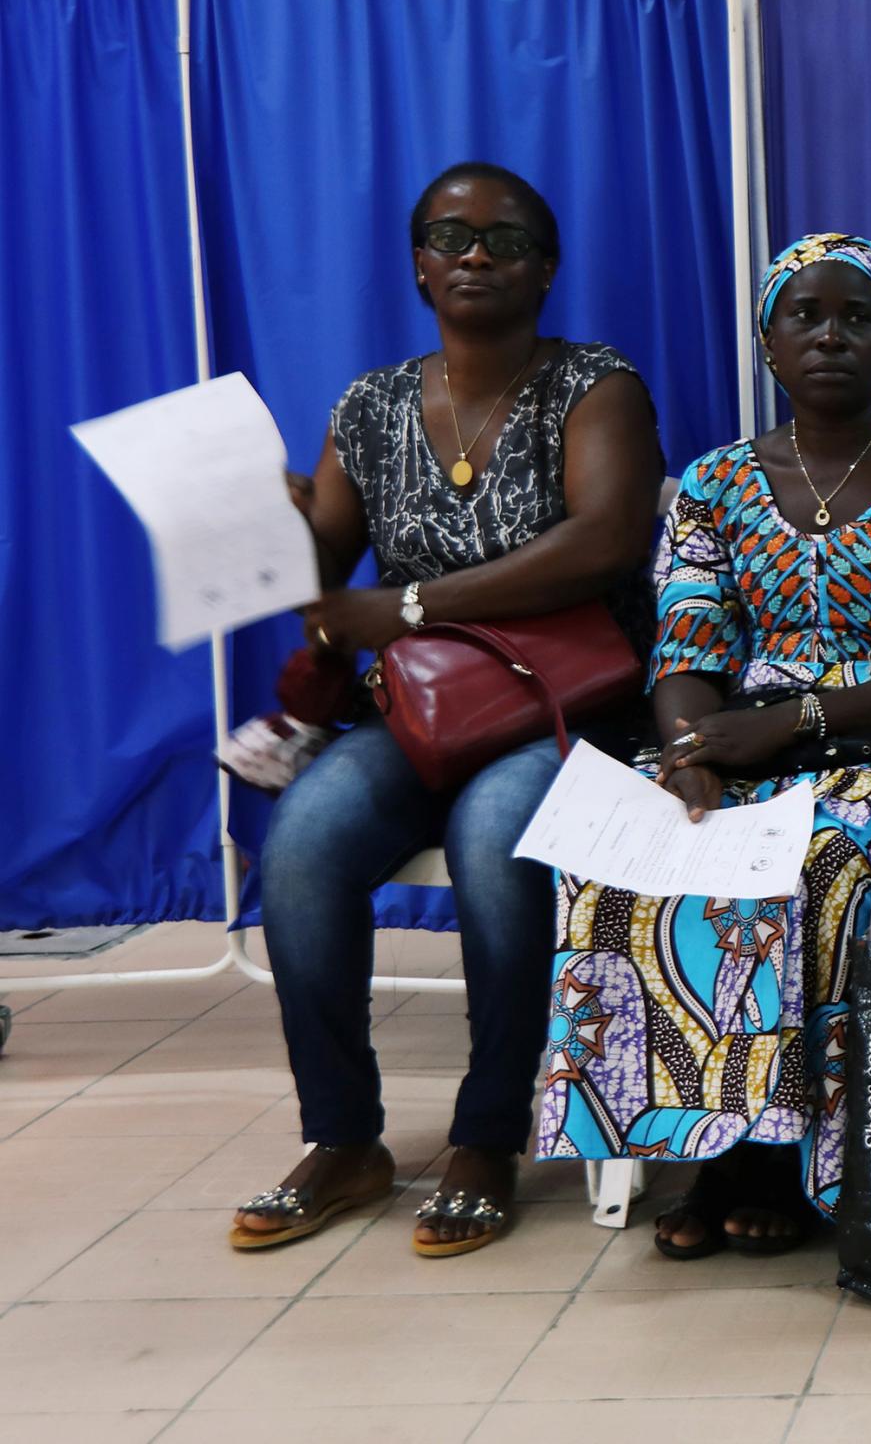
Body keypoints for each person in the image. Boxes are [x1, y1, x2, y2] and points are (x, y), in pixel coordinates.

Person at [532, 235, 871, 1259]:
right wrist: (688, 751)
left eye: (856, 315)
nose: (830, 335)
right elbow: (688, 635)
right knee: (626, 862)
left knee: (820, 860)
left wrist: (792, 723)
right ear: (767, 338)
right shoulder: (716, 483)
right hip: (743, 743)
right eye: (805, 315)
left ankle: (789, 1158)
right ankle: (711, 1135)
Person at [233, 162, 664, 1257]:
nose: (475, 254)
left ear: (546, 266)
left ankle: (485, 1136)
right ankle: (343, 1137)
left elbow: (607, 539)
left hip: (567, 717)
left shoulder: (595, 384)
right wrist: (262, 515)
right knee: (301, 847)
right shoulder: (370, 406)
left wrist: (414, 599)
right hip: (418, 718)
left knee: (492, 839)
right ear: (417, 261)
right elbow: (324, 579)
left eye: (504, 239)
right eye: (450, 235)